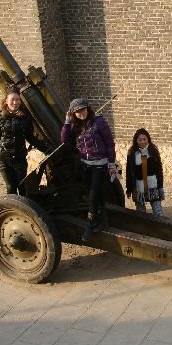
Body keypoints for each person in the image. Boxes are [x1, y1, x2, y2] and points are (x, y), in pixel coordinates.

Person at [60, 98, 117, 242]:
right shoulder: (75, 125)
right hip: (86, 164)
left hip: (100, 164)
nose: (81, 113)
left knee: (92, 195)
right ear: (73, 113)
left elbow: (109, 143)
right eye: (77, 112)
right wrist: (67, 121)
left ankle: (90, 225)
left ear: (87, 108)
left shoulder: (99, 121)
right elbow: (65, 140)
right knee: (95, 194)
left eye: (83, 110)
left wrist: (111, 164)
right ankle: (102, 221)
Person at [0, 86, 48, 195]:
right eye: (12, 100)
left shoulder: (25, 117)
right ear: (6, 101)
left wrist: (45, 148)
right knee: (10, 187)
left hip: (19, 158)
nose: (15, 102)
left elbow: (30, 137)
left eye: (17, 99)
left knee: (22, 186)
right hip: (4, 158)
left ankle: (24, 210)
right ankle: (13, 211)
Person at [125, 128, 165, 216]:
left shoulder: (153, 150)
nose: (142, 142)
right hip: (139, 186)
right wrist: (129, 189)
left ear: (148, 139)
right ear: (136, 140)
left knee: (157, 210)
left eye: (144, 139)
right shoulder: (132, 152)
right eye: (140, 140)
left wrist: (160, 186)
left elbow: (159, 169)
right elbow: (129, 171)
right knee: (141, 212)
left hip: (153, 185)